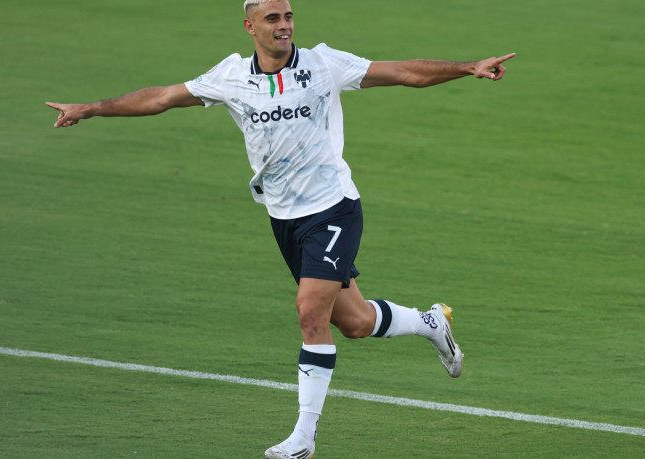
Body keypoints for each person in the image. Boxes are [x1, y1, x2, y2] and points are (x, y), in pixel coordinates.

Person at [47, 1, 514, 457]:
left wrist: (468, 67)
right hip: (285, 219)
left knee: (310, 310)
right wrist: (89, 108)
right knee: (353, 322)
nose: (284, 25)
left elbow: (403, 73)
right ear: (250, 26)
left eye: (289, 16)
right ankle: (430, 323)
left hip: (334, 210)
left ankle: (303, 439)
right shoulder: (231, 76)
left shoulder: (323, 65)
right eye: (273, 18)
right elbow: (163, 98)